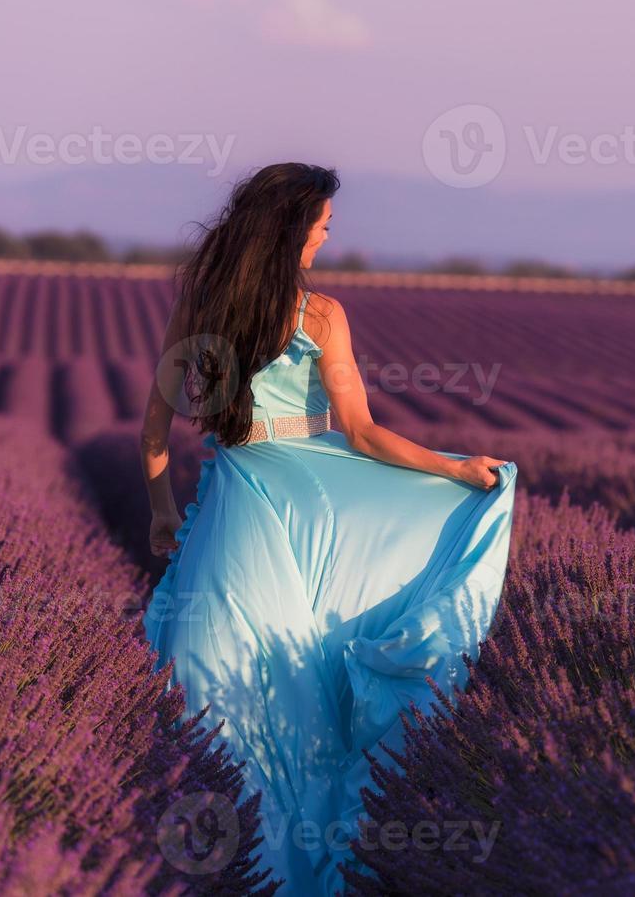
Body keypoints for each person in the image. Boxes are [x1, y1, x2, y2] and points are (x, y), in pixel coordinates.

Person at [138, 163, 516, 893]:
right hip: (315, 510)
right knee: (307, 674)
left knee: (215, 681)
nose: (325, 238)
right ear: (290, 230)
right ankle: (308, 867)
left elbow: (155, 430)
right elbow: (363, 435)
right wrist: (457, 473)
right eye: (321, 226)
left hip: (235, 507)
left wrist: (161, 514)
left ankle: (216, 862)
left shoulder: (203, 305)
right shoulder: (320, 316)